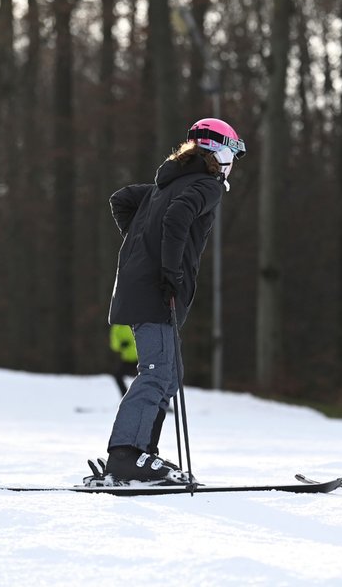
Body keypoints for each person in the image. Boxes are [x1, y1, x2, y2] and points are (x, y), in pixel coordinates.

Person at [102, 117, 245, 484]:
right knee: (157, 372)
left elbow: (122, 199)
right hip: (156, 290)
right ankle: (126, 455)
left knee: (170, 373)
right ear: (219, 152)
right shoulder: (206, 185)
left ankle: (142, 452)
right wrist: (168, 270)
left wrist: (140, 245)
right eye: (232, 152)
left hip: (142, 288)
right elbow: (178, 218)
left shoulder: (165, 185)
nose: (233, 161)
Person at [109, 324, 137, 395]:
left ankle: (159, 400)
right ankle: (125, 396)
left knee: (149, 377)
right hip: (128, 359)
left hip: (141, 358)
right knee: (118, 376)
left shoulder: (134, 323)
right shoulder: (116, 327)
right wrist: (120, 345)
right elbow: (114, 345)